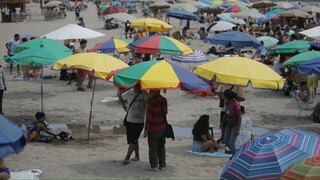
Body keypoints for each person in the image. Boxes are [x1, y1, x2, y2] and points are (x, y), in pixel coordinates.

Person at [118, 84, 148, 165]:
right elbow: (119, 96)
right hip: (129, 120)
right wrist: (124, 107)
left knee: (133, 140)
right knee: (133, 140)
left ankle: (126, 158)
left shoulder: (144, 93)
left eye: (138, 86)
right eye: (135, 86)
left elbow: (148, 101)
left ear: (141, 86)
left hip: (139, 122)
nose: (136, 88)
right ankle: (137, 156)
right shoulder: (129, 92)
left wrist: (145, 94)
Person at [144, 90, 167, 171]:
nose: (150, 92)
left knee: (153, 148)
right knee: (161, 147)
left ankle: (154, 166)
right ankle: (162, 165)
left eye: (151, 91)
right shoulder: (164, 100)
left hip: (154, 128)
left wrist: (146, 130)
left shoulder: (151, 102)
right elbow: (165, 112)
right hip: (162, 127)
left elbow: (149, 117)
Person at [223, 89, 241, 154]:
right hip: (228, 123)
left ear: (227, 96)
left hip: (235, 124)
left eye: (224, 95)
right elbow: (225, 113)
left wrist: (238, 128)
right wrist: (222, 123)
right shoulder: (226, 102)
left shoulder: (236, 104)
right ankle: (227, 153)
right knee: (225, 140)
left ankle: (234, 154)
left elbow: (239, 117)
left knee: (231, 142)